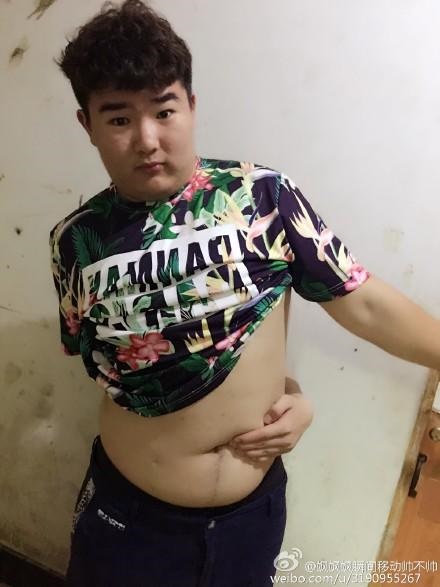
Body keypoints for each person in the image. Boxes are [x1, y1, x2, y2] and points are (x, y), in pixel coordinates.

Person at [49, 1, 439, 586]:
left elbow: (363, 301)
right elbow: (115, 368)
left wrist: (293, 394)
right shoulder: (75, 241)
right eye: (120, 118)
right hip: (128, 521)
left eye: (164, 110)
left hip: (250, 520)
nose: (148, 139)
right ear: (87, 126)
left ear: (192, 105)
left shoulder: (263, 199)